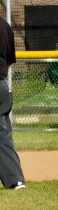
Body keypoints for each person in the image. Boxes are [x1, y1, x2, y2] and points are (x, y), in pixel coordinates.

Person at [0, 16, 25, 190]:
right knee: (3, 134)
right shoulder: (4, 25)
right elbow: (9, 60)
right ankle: (16, 180)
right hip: (1, 85)